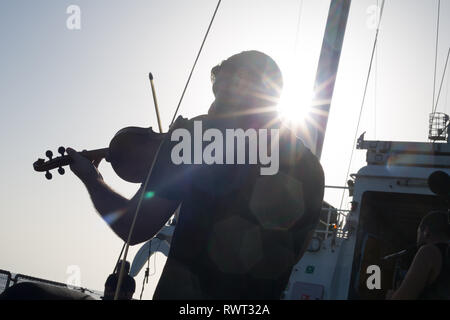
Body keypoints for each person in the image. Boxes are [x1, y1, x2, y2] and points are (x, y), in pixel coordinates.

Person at [67, 50, 325, 299]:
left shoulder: (197, 140)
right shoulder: (312, 169)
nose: (212, 105)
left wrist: (92, 179)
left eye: (220, 92)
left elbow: (133, 227)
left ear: (241, 86)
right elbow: (295, 254)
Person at [389, 210, 450, 299]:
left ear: (426, 231)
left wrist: (392, 296)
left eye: (418, 232)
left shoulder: (429, 251)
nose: (417, 237)